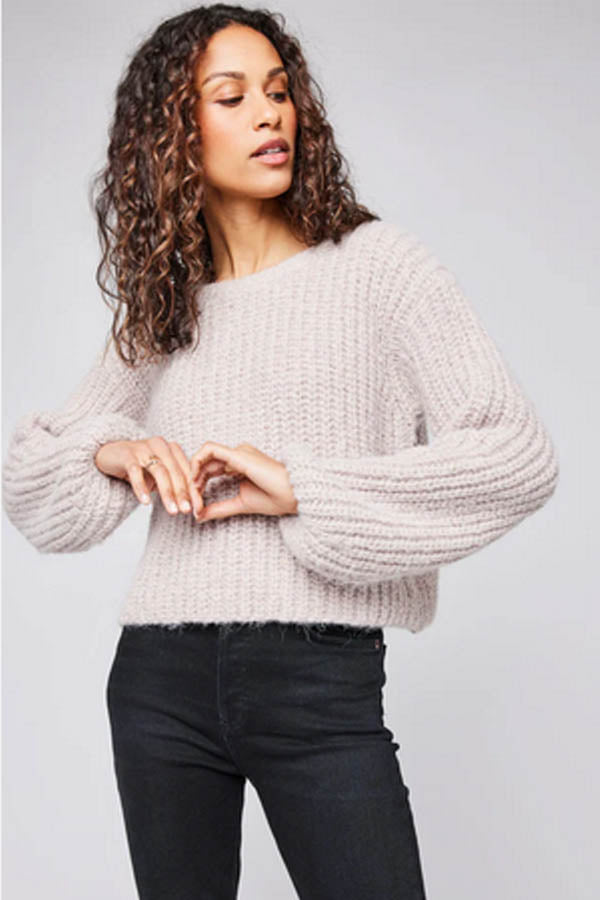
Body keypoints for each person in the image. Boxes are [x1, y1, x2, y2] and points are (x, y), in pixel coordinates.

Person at [1, 4, 560, 899]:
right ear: (175, 135)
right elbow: (33, 491)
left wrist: (304, 490)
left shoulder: (379, 268)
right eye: (232, 97)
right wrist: (111, 451)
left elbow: (517, 455)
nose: (270, 114)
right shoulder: (167, 308)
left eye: (279, 90)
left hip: (318, 679)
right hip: (159, 685)